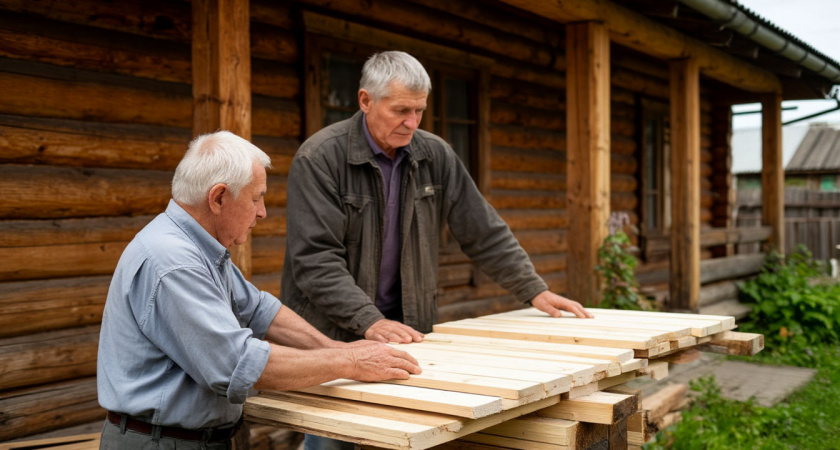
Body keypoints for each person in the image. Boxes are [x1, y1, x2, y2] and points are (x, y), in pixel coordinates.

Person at [281, 51, 593, 449]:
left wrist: (535, 290)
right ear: (365, 101)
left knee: (404, 436)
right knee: (334, 439)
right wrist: (368, 321)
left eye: (419, 111)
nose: (411, 123)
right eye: (401, 111)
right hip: (333, 335)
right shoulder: (320, 158)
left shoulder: (435, 154)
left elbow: (482, 230)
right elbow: (315, 261)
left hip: (407, 326)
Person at [96, 131, 420, 449]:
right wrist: (351, 363)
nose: (262, 211)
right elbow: (238, 363)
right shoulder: (174, 262)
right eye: (255, 198)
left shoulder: (200, 248)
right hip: (160, 443)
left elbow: (259, 309)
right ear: (219, 197)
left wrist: (334, 349)